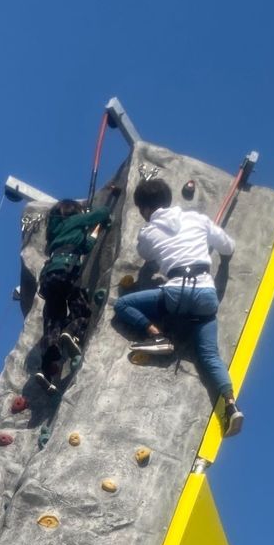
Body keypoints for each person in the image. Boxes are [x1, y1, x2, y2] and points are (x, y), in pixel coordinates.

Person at [114, 177, 244, 435]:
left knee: (123, 304)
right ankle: (231, 406)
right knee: (209, 357)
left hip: (175, 294)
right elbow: (228, 247)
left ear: (146, 209)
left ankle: (158, 336)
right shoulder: (197, 219)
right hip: (206, 296)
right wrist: (214, 250)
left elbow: (145, 255)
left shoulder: (148, 231)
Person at [35, 198, 112, 391]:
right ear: (75, 212)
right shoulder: (76, 221)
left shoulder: (53, 231)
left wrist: (89, 230)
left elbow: (84, 245)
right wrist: (92, 217)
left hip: (48, 277)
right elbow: (102, 213)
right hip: (67, 271)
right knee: (81, 310)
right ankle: (70, 332)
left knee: (53, 318)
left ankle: (46, 369)